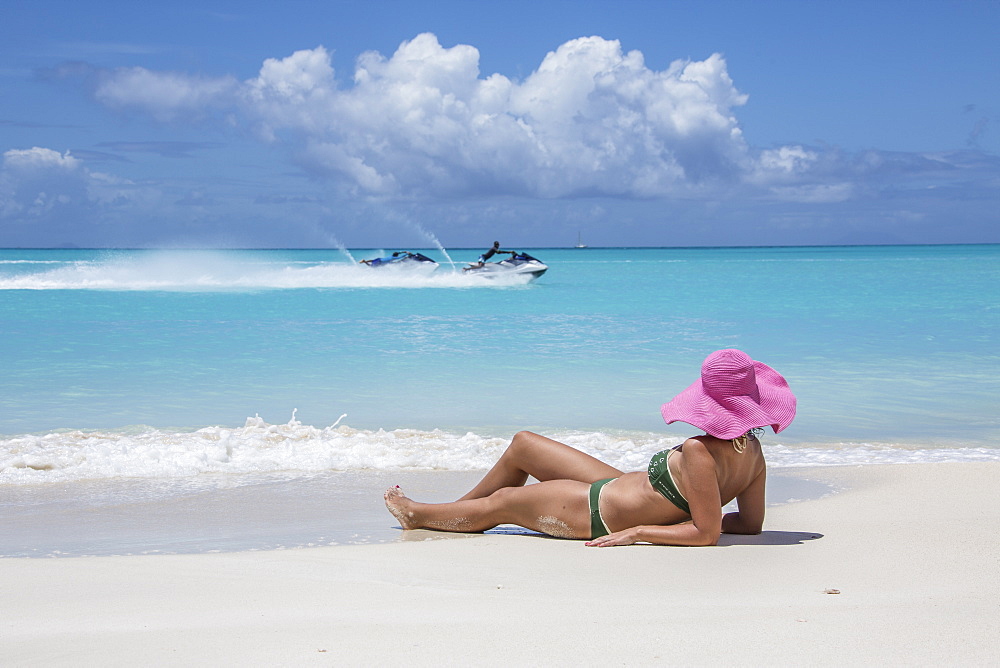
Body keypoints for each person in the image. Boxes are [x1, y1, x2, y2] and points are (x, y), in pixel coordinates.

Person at [384, 349, 796, 547]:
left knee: (507, 500)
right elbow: (749, 524)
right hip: (620, 487)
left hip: (598, 511)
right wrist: (692, 511)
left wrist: (638, 530)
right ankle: (456, 512)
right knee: (524, 445)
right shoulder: (753, 453)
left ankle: (419, 516)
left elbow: (706, 534)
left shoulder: (698, 451)